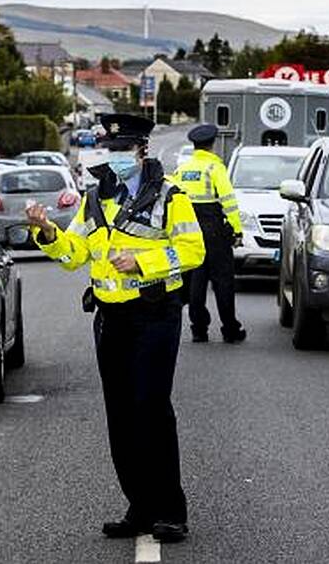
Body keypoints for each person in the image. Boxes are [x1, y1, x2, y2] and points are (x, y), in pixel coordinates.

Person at [25, 114, 205, 544]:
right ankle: (139, 507)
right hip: (111, 318)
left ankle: (169, 511)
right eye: (110, 150)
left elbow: (193, 250)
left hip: (155, 315)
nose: (115, 158)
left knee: (152, 409)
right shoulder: (95, 197)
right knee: (121, 415)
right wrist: (47, 231)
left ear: (142, 150)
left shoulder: (169, 195)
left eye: (122, 150)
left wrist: (144, 262)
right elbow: (74, 254)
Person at [173, 124, 247, 344]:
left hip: (190, 231)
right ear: (212, 145)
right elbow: (229, 203)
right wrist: (237, 230)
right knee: (223, 282)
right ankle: (230, 329)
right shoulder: (215, 168)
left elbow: (174, 202)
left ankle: (198, 329)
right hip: (214, 230)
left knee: (197, 279)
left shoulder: (182, 170)